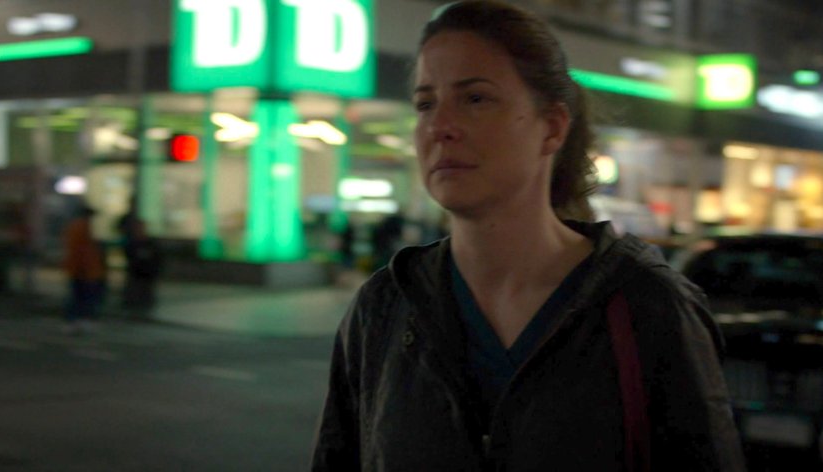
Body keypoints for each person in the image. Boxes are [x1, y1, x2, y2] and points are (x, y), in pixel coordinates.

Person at [310, 2, 745, 470]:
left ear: (552, 127)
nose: (439, 127)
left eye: (475, 98)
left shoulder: (646, 306)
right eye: (425, 103)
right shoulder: (385, 307)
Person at [63, 205, 107, 334]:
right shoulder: (82, 227)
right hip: (84, 271)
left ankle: (75, 321)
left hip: (79, 269)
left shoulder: (75, 227)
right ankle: (78, 321)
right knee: (83, 297)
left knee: (77, 297)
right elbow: (83, 251)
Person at [121, 217, 162, 321]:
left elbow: (157, 258)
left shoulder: (150, 243)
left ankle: (144, 315)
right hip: (136, 275)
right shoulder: (132, 243)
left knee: (146, 296)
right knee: (135, 297)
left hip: (147, 275)